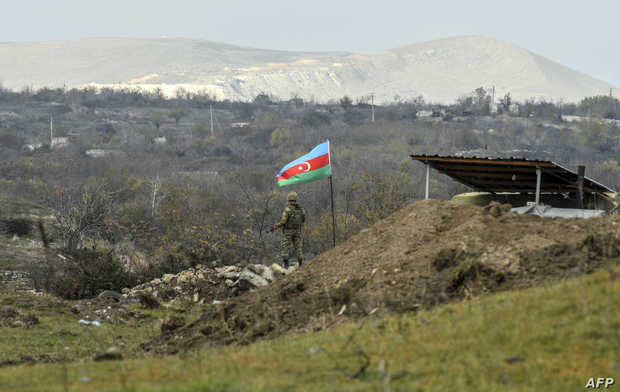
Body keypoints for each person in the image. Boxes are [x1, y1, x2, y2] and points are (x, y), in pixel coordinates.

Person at [273, 191, 306, 268]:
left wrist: (276, 226)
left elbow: (283, 221)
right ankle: (301, 263)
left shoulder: (287, 210)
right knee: (298, 247)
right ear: (296, 199)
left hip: (288, 231)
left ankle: (286, 265)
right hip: (297, 230)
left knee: (285, 247)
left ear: (288, 200)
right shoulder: (301, 209)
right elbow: (303, 220)